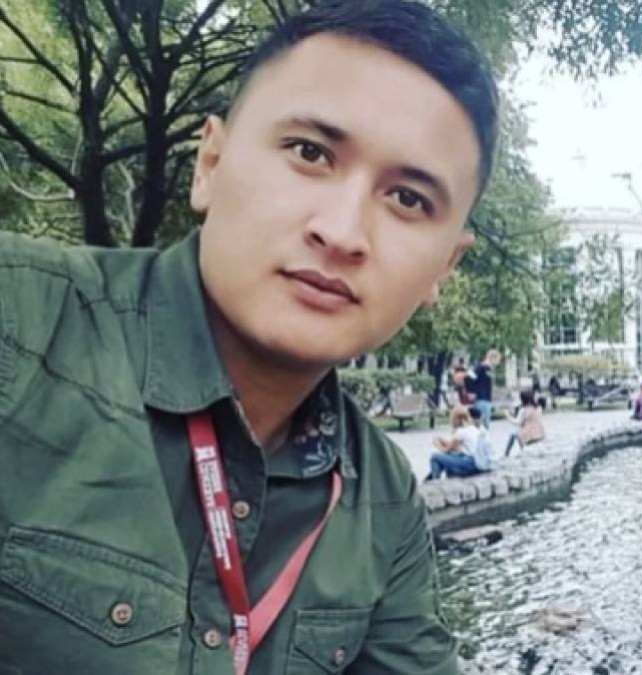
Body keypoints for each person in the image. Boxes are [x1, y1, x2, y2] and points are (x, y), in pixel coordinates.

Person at [0, 2, 497, 673]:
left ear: (445, 266)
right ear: (210, 161)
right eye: (310, 153)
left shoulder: (380, 499)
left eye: (408, 198)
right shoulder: (22, 326)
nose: (342, 232)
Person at [428, 405, 492, 479]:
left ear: (458, 419)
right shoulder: (473, 428)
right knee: (449, 457)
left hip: (471, 462)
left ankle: (435, 480)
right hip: (481, 462)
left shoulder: (461, 431)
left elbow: (446, 449)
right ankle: (433, 478)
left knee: (435, 457)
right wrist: (442, 440)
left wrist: (437, 444)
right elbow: (456, 448)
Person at [504, 389, 546, 456]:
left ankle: (506, 454)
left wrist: (507, 416)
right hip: (539, 434)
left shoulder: (523, 410)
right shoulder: (539, 408)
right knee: (519, 431)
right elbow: (529, 419)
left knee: (514, 434)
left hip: (528, 435)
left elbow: (518, 422)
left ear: (522, 399)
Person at [467, 349, 501, 428]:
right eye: (497, 361)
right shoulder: (481, 368)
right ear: (493, 358)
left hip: (486, 398)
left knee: (484, 423)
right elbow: (468, 378)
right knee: (483, 424)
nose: (497, 363)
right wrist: (471, 392)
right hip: (481, 398)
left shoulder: (488, 369)